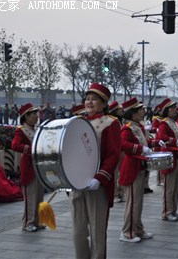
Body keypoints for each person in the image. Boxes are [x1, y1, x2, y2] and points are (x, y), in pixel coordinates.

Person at [69, 83, 121, 259]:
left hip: (97, 185)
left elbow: (113, 155)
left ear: (104, 103)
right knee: (78, 230)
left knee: (98, 231)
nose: (89, 102)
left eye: (94, 99)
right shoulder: (77, 122)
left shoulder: (110, 124)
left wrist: (100, 178)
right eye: (87, 98)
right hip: (77, 184)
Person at [118, 97, 163, 242]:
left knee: (138, 201)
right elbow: (123, 144)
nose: (144, 112)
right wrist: (140, 148)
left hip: (140, 166)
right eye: (140, 110)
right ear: (133, 113)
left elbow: (145, 142)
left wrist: (155, 142)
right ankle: (127, 232)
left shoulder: (138, 127)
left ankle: (137, 228)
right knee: (133, 202)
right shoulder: (127, 128)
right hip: (131, 168)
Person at [11, 103, 44, 232]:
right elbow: (15, 145)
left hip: (38, 167)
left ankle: (37, 221)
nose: (37, 116)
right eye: (34, 114)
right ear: (26, 116)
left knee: (39, 196)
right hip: (29, 166)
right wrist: (31, 150)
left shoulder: (36, 129)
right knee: (30, 196)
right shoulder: (21, 130)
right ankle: (28, 223)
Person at [156, 98, 178, 221]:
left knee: (176, 186)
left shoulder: (174, 122)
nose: (175, 110)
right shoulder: (164, 123)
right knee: (169, 187)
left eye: (175, 108)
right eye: (172, 108)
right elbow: (162, 137)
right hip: (169, 156)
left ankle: (174, 210)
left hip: (177, 156)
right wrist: (175, 141)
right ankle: (167, 212)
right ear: (166, 111)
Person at [108, 101, 125, 203]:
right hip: (116, 149)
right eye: (119, 110)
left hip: (120, 148)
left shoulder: (117, 120)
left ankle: (119, 192)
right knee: (115, 173)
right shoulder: (113, 121)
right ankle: (116, 193)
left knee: (119, 172)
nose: (122, 111)